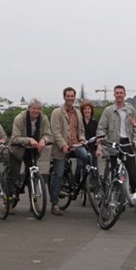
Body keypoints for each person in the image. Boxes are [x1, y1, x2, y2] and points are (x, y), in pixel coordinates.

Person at [8, 99, 52, 214]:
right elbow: (14, 138)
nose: (36, 111)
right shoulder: (19, 118)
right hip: (17, 149)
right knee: (13, 175)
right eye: (33, 108)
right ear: (29, 108)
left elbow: (48, 134)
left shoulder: (44, 119)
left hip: (33, 150)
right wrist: (29, 140)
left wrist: (43, 140)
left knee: (32, 175)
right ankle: (8, 202)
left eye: (38, 109)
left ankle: (34, 203)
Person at [49, 87, 88, 216]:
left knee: (87, 157)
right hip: (62, 147)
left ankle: (77, 183)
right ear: (64, 97)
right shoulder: (56, 112)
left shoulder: (78, 113)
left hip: (75, 144)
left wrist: (82, 139)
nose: (70, 98)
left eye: (72, 96)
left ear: (75, 97)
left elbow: (81, 130)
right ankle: (54, 203)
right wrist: (63, 145)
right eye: (68, 96)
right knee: (58, 174)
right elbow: (55, 132)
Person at [96, 85, 136, 196]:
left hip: (127, 143)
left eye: (121, 93)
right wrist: (101, 137)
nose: (119, 95)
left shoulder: (130, 110)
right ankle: (117, 199)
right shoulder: (108, 111)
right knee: (115, 173)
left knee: (132, 173)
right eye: (117, 93)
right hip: (114, 143)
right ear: (114, 95)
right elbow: (101, 127)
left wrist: (135, 140)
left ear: (125, 94)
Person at [79, 101, 101, 180]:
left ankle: (94, 185)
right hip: (82, 146)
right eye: (85, 109)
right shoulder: (79, 122)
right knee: (81, 167)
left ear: (91, 111)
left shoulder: (95, 123)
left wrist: (99, 148)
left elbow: (98, 136)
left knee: (94, 167)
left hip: (92, 147)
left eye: (88, 109)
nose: (87, 111)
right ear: (82, 111)